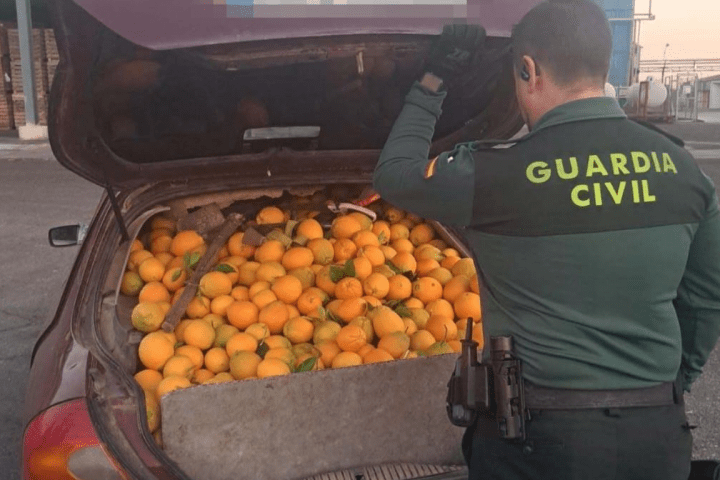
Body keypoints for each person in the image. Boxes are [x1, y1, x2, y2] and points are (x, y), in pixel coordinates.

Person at [372, 1, 720, 479]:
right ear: (602, 63)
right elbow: (706, 299)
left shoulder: (493, 175)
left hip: (537, 444)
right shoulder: (684, 170)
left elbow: (393, 176)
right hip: (656, 439)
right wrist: (670, 384)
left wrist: (434, 81)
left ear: (528, 70)